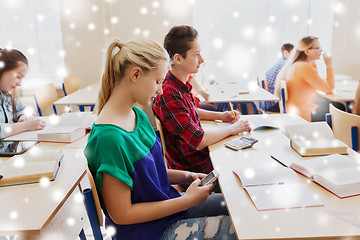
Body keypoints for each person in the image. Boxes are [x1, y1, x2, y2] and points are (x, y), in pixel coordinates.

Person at [84, 38, 237, 240]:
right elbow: (122, 214)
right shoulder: (109, 139)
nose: (160, 90)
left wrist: (186, 176)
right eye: (158, 81)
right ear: (136, 74)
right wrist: (187, 201)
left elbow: (146, 173)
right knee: (242, 227)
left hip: (167, 211)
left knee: (235, 205)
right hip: (147, 232)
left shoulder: (136, 115)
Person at [152, 25, 251, 187]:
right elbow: (198, 140)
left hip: (201, 161)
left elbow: (188, 111)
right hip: (197, 171)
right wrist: (233, 128)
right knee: (246, 172)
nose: (202, 60)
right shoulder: (169, 93)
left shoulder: (177, 85)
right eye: (197, 55)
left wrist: (220, 116)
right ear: (178, 58)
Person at [274, 36, 344, 122]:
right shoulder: (304, 67)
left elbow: (315, 81)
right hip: (303, 115)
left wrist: (313, 61)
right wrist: (328, 65)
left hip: (294, 111)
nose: (321, 51)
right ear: (307, 51)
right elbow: (330, 89)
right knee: (340, 107)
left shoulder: (297, 65)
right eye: (317, 48)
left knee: (333, 105)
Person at [0, 48, 46, 139]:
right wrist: (26, 126)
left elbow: (27, 108)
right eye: (18, 77)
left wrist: (23, 116)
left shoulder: (6, 97)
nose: (19, 84)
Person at [264, 43, 294, 112]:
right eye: (293, 53)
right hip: (274, 104)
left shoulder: (281, 62)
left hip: (268, 102)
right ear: (286, 53)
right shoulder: (286, 64)